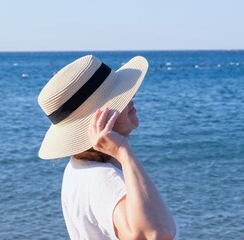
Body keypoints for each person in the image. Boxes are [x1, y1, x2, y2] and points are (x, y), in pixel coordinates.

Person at [37, 55, 177, 239]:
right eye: (119, 97)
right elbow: (155, 234)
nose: (132, 97)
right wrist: (123, 152)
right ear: (98, 119)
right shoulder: (103, 178)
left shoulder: (78, 169)